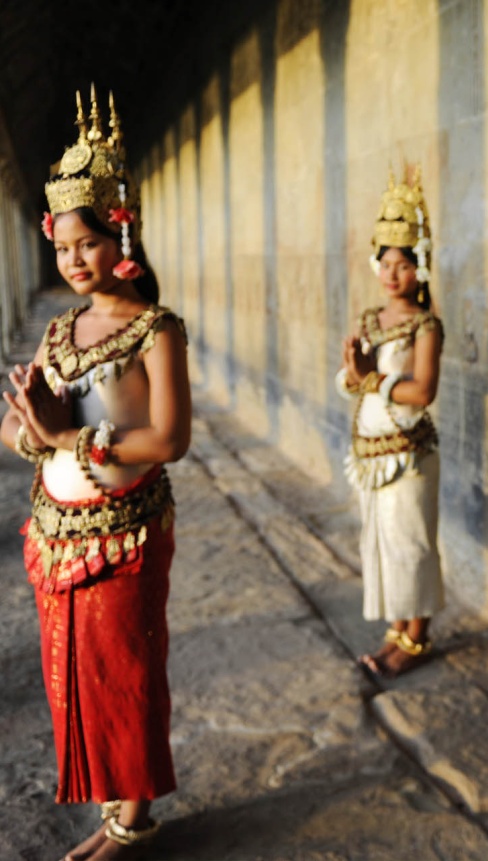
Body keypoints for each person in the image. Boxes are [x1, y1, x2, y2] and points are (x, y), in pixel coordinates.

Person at [1, 88, 190, 860]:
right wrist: (27, 427)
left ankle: (131, 821)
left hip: (125, 533)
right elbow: (20, 428)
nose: (75, 260)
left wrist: (72, 442)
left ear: (123, 236)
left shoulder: (154, 329)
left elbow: (170, 437)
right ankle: (112, 804)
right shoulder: (59, 328)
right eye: (63, 248)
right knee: (77, 678)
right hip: (56, 533)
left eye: (88, 243)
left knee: (128, 671)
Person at [335, 166, 444, 679]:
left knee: (412, 544)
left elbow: (421, 393)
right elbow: (352, 378)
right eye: (385, 262)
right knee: (382, 543)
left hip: (409, 454)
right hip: (370, 453)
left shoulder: (426, 325)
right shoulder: (368, 320)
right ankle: (396, 631)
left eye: (402, 264)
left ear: (419, 268)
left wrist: (370, 377)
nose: (392, 273)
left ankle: (416, 640)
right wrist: (356, 376)